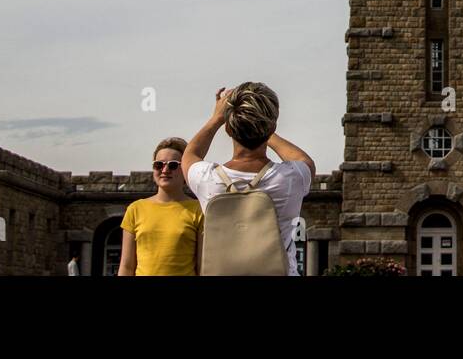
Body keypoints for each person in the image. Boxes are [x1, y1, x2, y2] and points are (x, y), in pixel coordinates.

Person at [182, 82, 315, 275]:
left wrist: (217, 118)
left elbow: (189, 155)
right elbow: (303, 160)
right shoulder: (291, 178)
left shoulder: (206, 178)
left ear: (228, 129)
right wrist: (263, 126)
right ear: (271, 127)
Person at [118, 137, 204, 276]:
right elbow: (126, 267)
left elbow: (202, 267)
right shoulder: (135, 209)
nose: (165, 170)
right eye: (159, 164)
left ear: (184, 169)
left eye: (173, 165)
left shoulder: (198, 210)